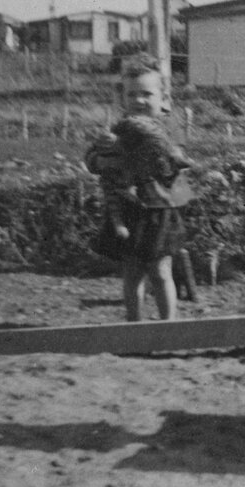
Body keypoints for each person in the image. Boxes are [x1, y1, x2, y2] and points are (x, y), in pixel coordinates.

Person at [84, 65, 194, 322]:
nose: (139, 101)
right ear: (122, 98)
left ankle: (168, 324)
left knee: (160, 270)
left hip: (161, 207)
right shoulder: (120, 128)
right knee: (132, 272)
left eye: (146, 94)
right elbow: (92, 159)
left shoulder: (169, 130)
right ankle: (134, 326)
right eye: (132, 94)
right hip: (128, 208)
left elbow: (166, 164)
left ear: (164, 98)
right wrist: (101, 158)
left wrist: (123, 152)